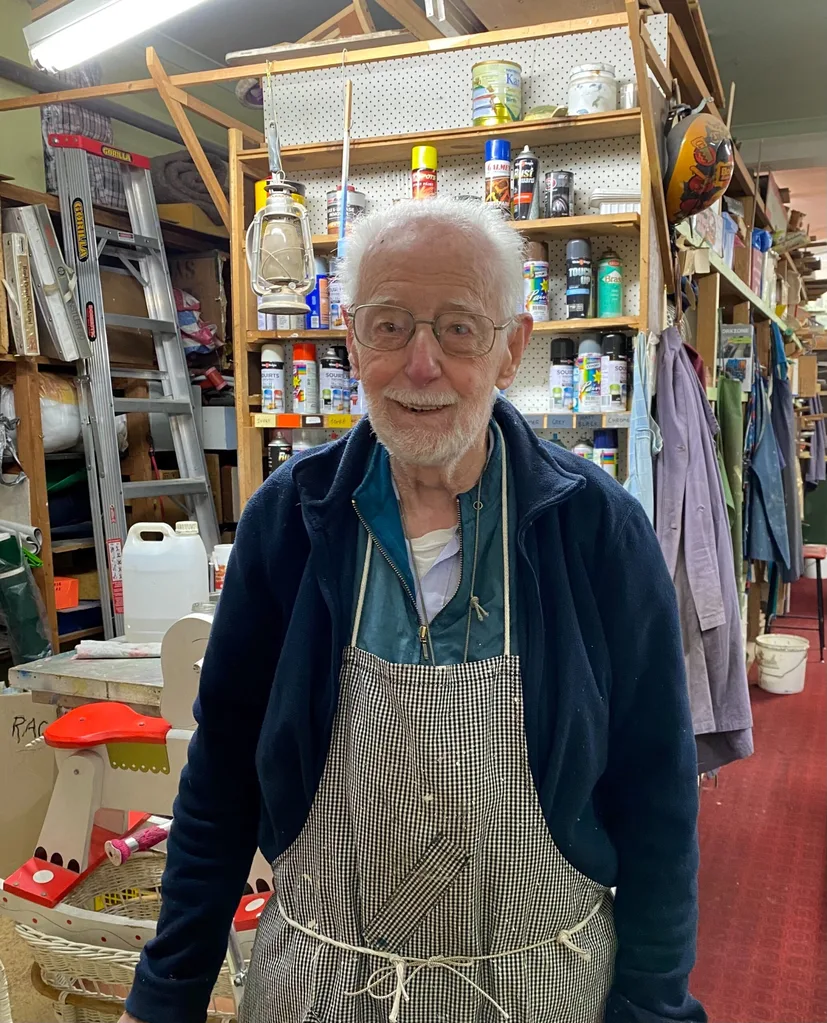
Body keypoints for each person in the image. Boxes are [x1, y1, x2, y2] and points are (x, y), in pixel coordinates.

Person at [122, 197, 705, 1023]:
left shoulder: (594, 528)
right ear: (352, 340)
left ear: (512, 349)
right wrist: (165, 993)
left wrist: (651, 1007)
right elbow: (219, 778)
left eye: (459, 327)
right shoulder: (290, 520)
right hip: (319, 988)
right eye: (390, 325)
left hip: (541, 987)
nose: (419, 365)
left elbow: (658, 798)